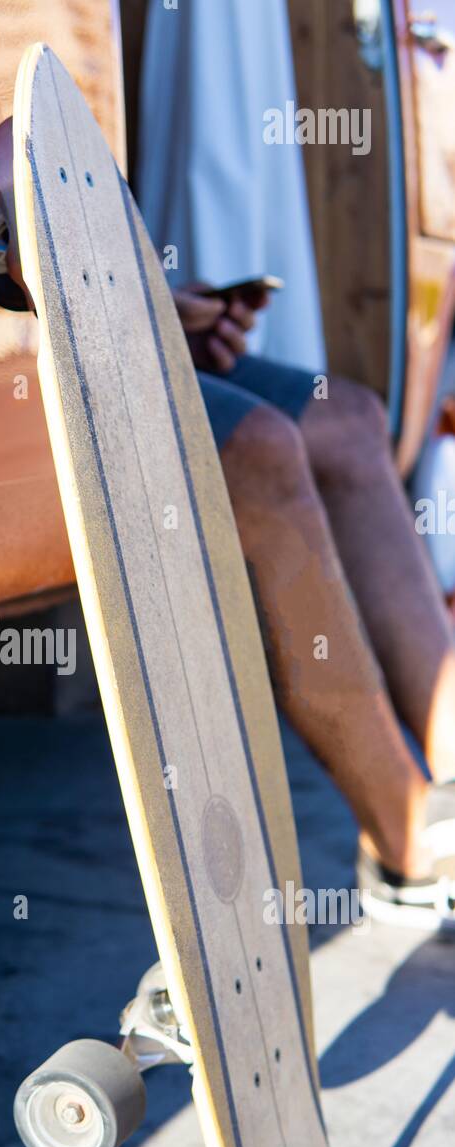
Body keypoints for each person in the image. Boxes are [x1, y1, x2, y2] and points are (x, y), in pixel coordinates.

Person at [175, 284, 455, 926]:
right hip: (27, 349)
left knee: (351, 419)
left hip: (129, 318)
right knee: (259, 444)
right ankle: (407, 846)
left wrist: (167, 303)